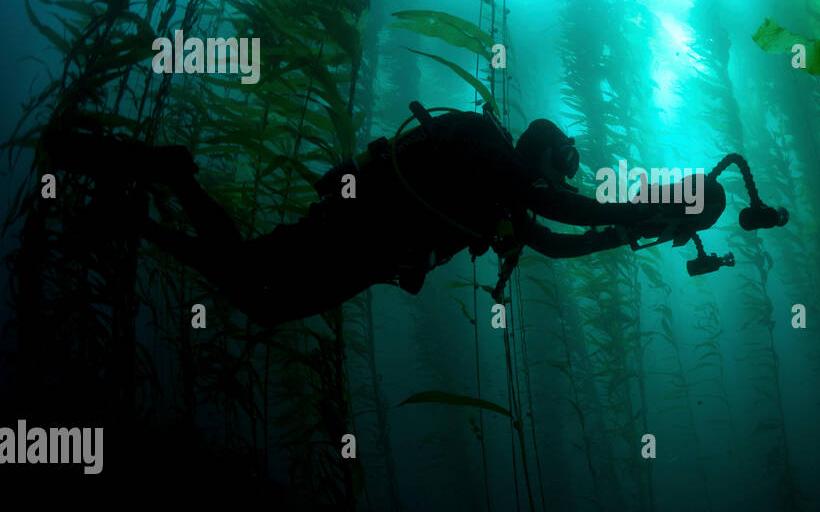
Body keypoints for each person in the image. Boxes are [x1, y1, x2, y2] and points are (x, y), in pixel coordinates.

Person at [42, 106, 725, 327]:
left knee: (262, 304)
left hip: (368, 254)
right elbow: (559, 206)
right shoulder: (490, 148)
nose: (568, 169)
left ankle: (157, 196)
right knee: (252, 276)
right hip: (354, 228)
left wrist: (626, 233)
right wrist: (654, 206)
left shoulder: (505, 195)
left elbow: (554, 241)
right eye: (567, 156)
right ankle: (165, 183)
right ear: (542, 147)